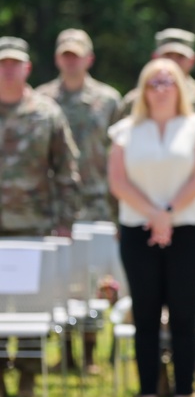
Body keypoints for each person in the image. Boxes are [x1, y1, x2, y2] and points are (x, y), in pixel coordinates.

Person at [107, 57, 195, 397]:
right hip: (138, 231)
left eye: (167, 82)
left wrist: (168, 213)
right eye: (153, 82)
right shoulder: (124, 131)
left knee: (184, 317)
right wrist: (155, 216)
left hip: (187, 229)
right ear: (143, 89)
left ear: (180, 87)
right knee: (145, 319)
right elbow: (118, 182)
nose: (160, 89)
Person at [35, 28, 122, 374]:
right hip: (56, 204)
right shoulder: (42, 99)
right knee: (59, 280)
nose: (72, 61)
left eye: (78, 55)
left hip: (98, 201)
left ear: (89, 59)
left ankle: (89, 354)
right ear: (58, 59)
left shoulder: (109, 100)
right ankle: (65, 353)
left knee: (94, 280)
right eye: (66, 55)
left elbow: (119, 153)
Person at [0, 36, 80, 397]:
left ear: (28, 68)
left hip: (33, 227)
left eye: (15, 63)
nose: (8, 69)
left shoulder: (46, 112)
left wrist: (65, 221)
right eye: (3, 63)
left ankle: (30, 379)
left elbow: (66, 169)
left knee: (32, 307)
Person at [114, 28, 195, 122]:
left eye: (180, 56)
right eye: (167, 55)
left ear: (192, 60)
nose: (173, 62)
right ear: (155, 58)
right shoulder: (136, 100)